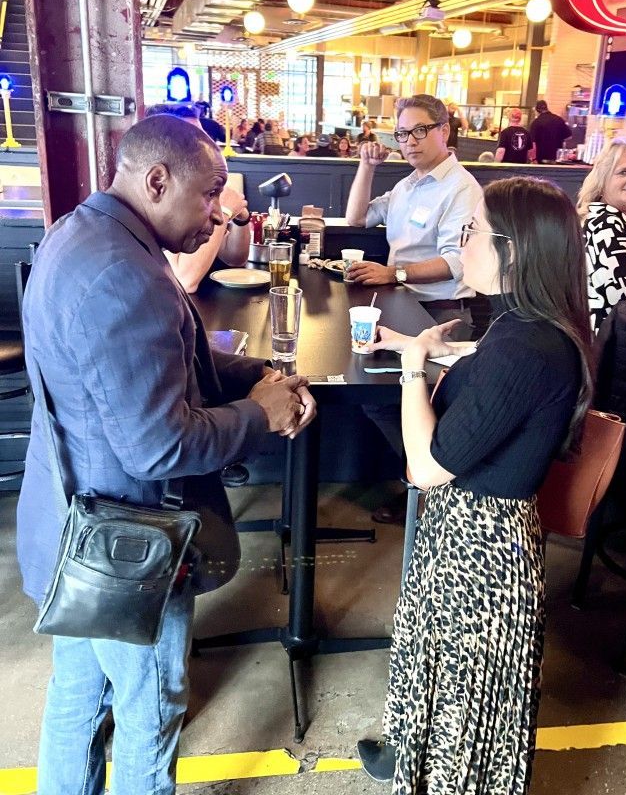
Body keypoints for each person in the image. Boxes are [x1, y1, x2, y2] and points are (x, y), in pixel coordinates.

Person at [16, 115, 316, 795]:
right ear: (158, 180)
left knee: (79, 701)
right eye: (209, 194)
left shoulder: (82, 233)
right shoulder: (127, 274)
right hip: (128, 548)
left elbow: (162, 359)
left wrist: (253, 376)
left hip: (74, 525)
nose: (217, 215)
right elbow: (158, 444)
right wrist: (260, 416)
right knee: (149, 717)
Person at [357, 176, 592, 795]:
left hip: (481, 552)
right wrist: (421, 345)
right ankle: (410, 758)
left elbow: (428, 465)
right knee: (434, 664)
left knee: (465, 698)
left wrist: (411, 371)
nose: (464, 244)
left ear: (512, 249)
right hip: (467, 536)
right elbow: (486, 377)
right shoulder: (521, 323)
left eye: (473, 232)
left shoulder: (530, 347)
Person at [345, 94, 481, 324]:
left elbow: (457, 261)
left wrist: (392, 273)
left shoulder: (462, 188)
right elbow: (357, 218)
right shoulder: (407, 185)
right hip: (401, 300)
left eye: (420, 130)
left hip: (441, 314)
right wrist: (367, 166)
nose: (410, 141)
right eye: (403, 133)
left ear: (444, 131)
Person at [144, 104, 251, 292]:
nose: (205, 146)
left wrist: (241, 220)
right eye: (192, 141)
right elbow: (186, 280)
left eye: (203, 137)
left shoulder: (200, 190)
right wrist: (224, 212)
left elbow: (234, 258)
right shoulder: (159, 198)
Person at [577, 137, 626, 332]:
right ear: (603, 180)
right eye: (623, 172)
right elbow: (624, 298)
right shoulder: (603, 223)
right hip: (614, 341)